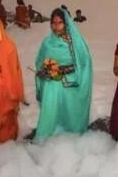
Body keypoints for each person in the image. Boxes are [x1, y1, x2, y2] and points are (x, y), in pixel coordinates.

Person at [33, 8, 93, 141]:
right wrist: (44, 70)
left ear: (66, 24)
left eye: (60, 22)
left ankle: (71, 132)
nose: (56, 26)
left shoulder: (75, 42)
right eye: (53, 23)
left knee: (62, 95)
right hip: (51, 80)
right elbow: (39, 62)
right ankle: (47, 135)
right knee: (51, 94)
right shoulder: (47, 42)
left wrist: (62, 71)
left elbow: (84, 63)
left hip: (71, 79)